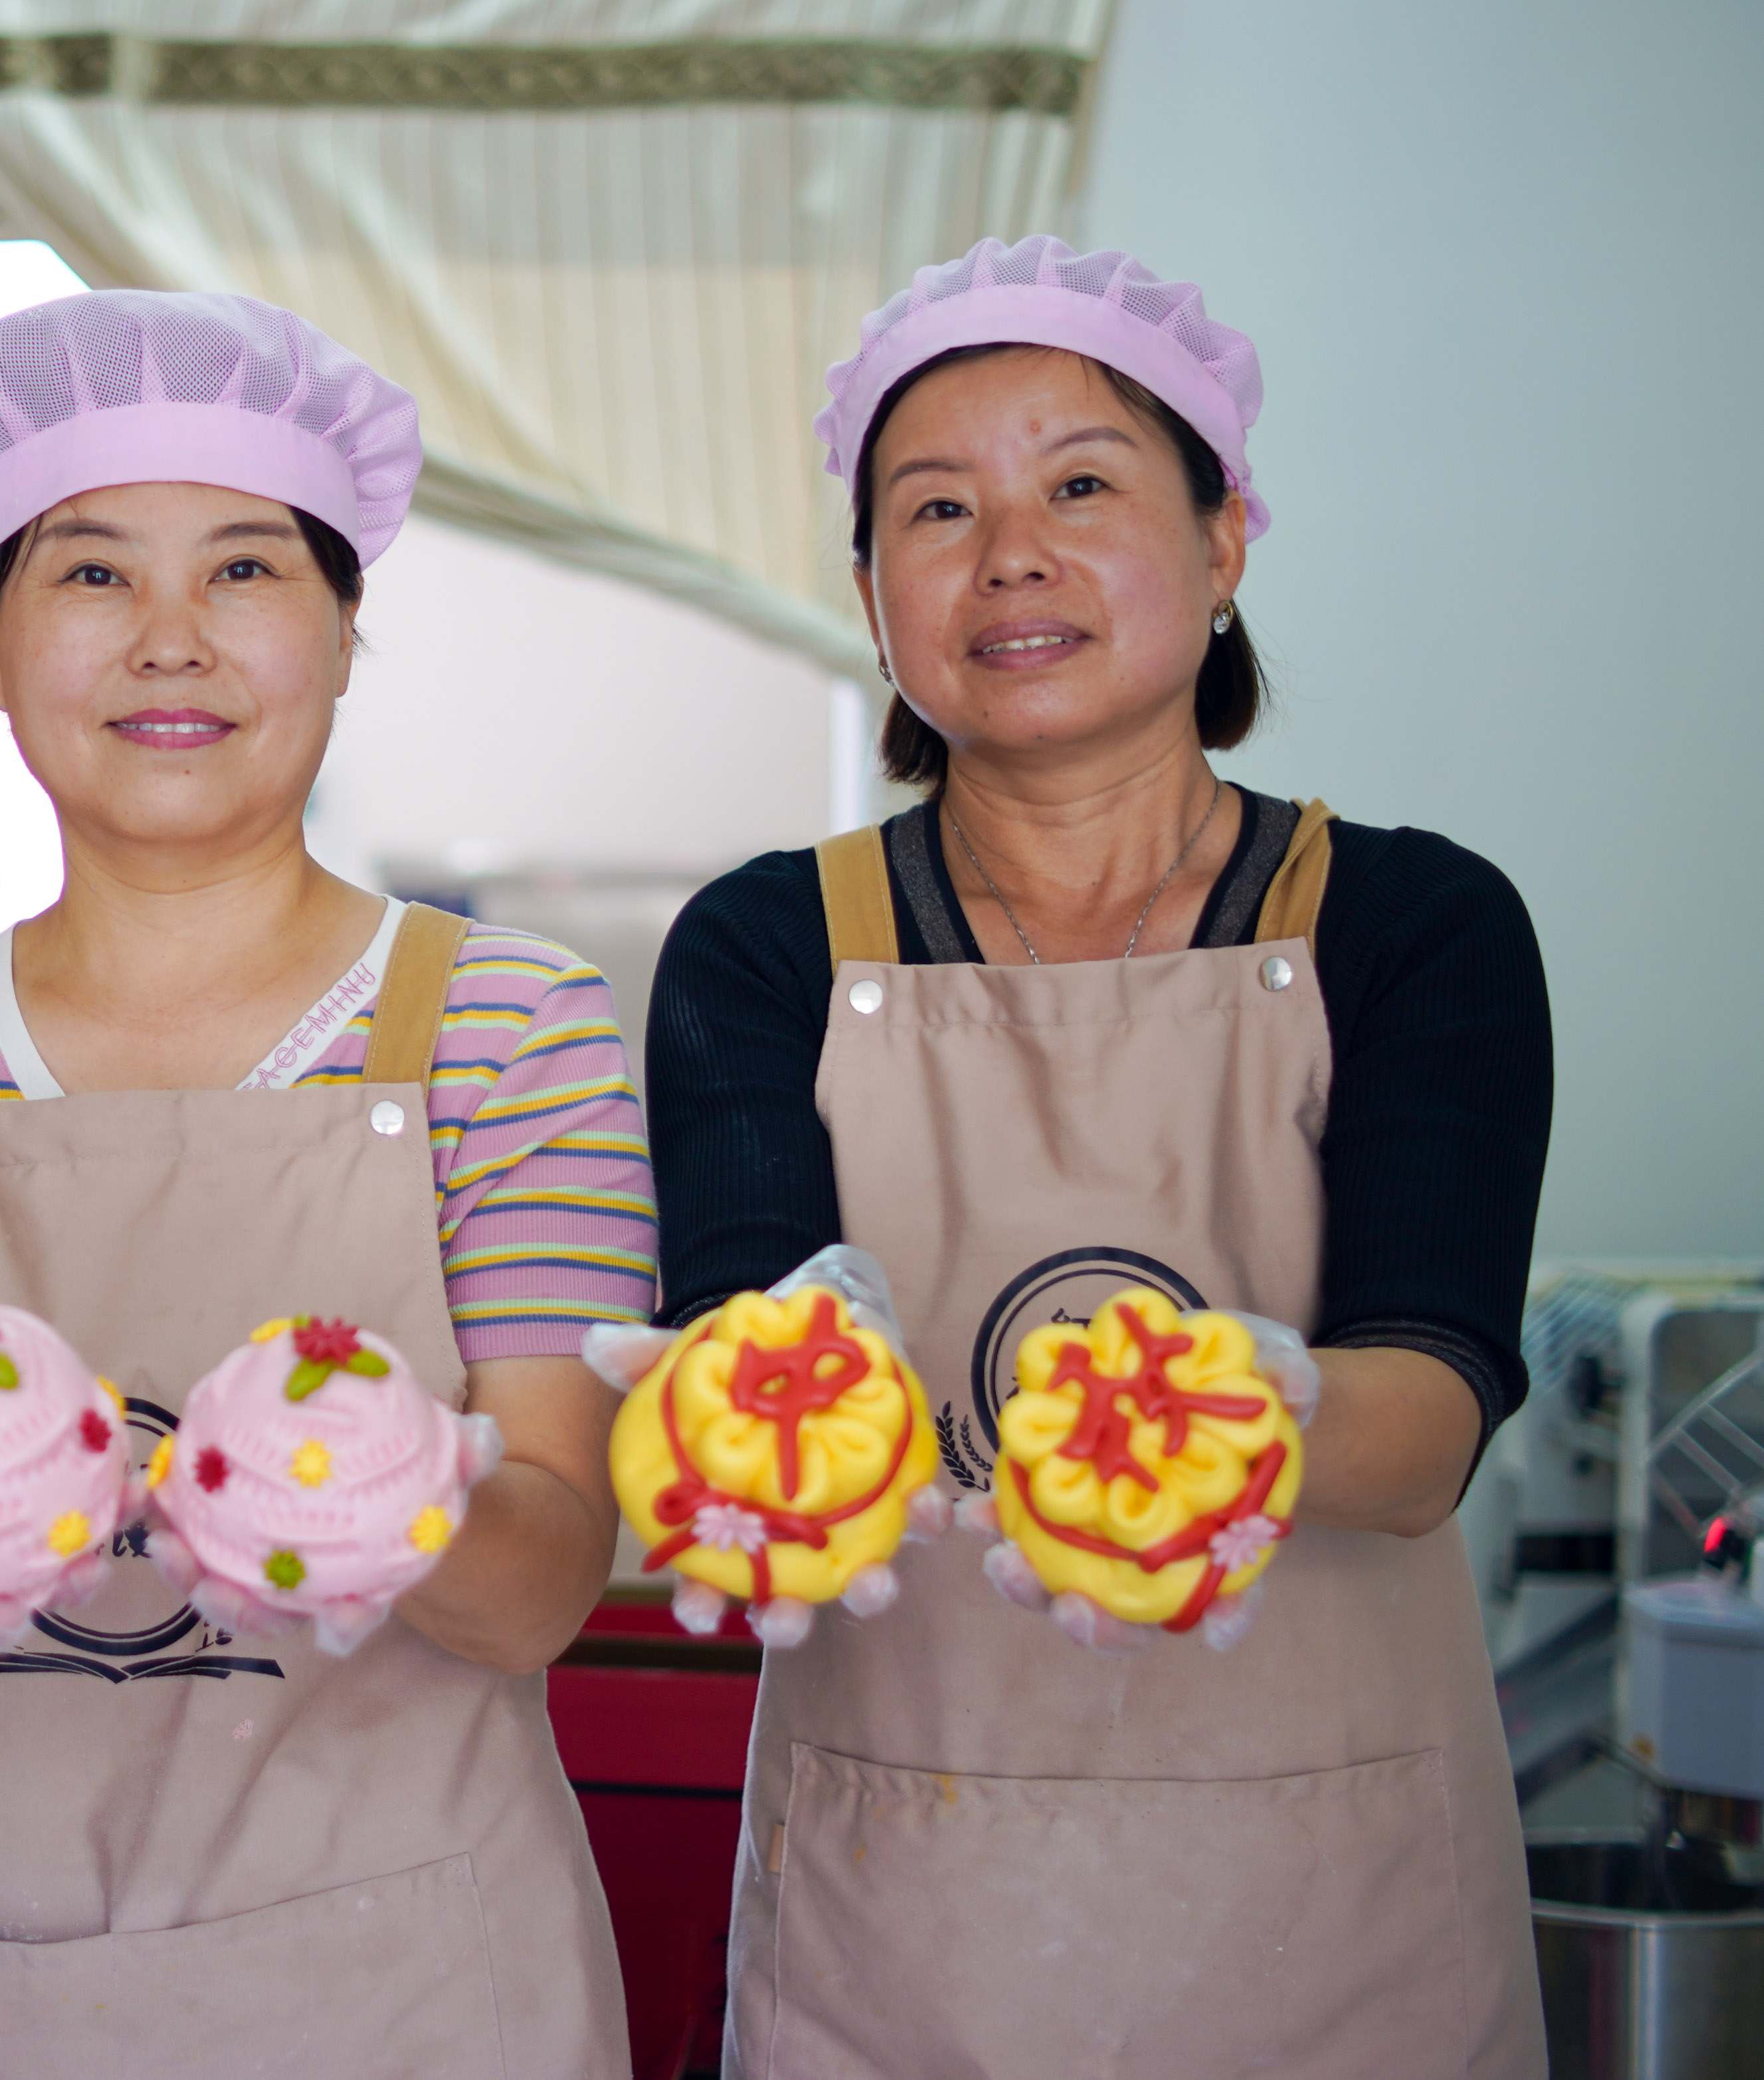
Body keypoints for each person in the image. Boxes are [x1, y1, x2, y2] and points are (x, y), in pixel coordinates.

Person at [647, 237, 1551, 2075]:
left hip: (1332, 1911)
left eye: (1080, 485)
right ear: (872, 595)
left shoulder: (1412, 924)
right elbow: (745, 1354)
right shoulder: (765, 946)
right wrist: (748, 1413)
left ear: (1223, 543)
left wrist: (1215, 1427)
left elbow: (1427, 1414)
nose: (1010, 554)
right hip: (905, 1912)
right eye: (936, 508)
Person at [0, 291, 656, 2076]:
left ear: (343, 630)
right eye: (91, 573)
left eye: (245, 570)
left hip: (413, 1999)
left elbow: (543, 1580)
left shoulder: (510, 1024)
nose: (171, 642)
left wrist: (387, 1493)